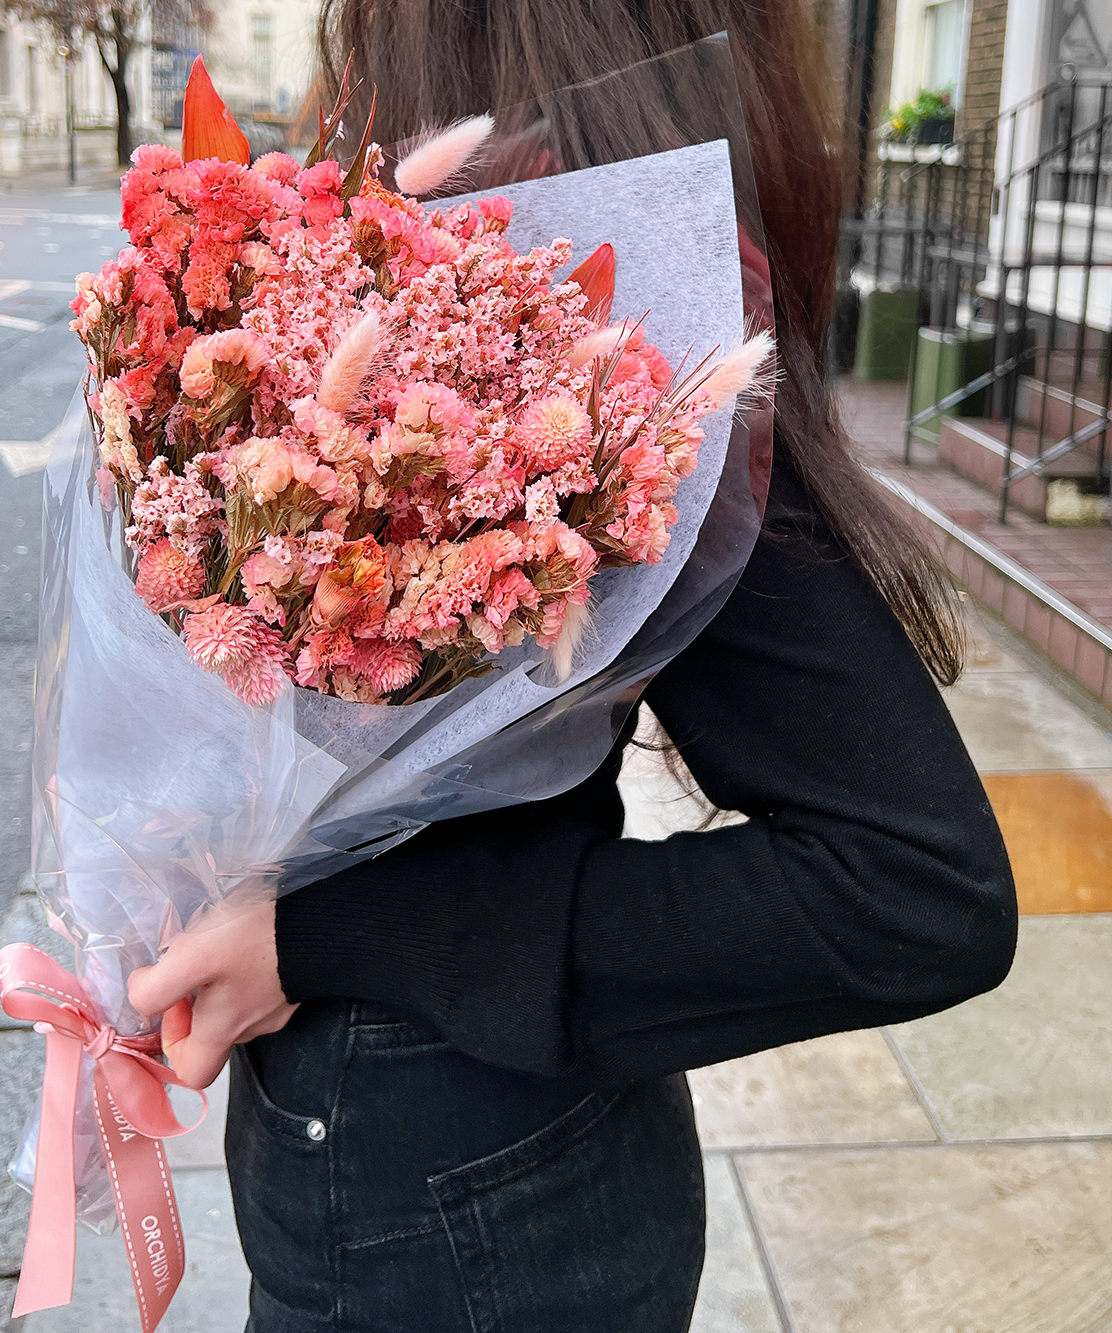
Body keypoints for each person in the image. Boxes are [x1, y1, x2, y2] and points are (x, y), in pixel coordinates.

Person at [126, 3, 1017, 1328]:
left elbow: (913, 887)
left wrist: (323, 932)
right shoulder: (456, 283)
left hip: (458, 1198)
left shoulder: (600, 339)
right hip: (473, 1159)